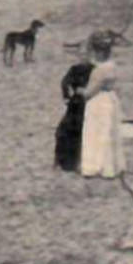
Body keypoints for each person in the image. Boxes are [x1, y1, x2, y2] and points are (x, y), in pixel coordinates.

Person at [79, 32, 126, 179]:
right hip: (110, 99)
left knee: (97, 132)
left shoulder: (99, 71)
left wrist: (80, 92)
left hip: (99, 102)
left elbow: (90, 92)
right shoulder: (112, 65)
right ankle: (112, 166)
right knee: (109, 132)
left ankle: (95, 167)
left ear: (97, 52)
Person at [54, 44, 95, 173]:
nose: (83, 57)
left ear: (91, 55)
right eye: (80, 55)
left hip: (89, 103)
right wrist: (66, 96)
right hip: (76, 104)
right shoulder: (75, 69)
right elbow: (64, 82)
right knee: (64, 131)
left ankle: (79, 162)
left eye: (86, 54)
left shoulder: (95, 70)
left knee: (82, 133)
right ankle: (64, 162)